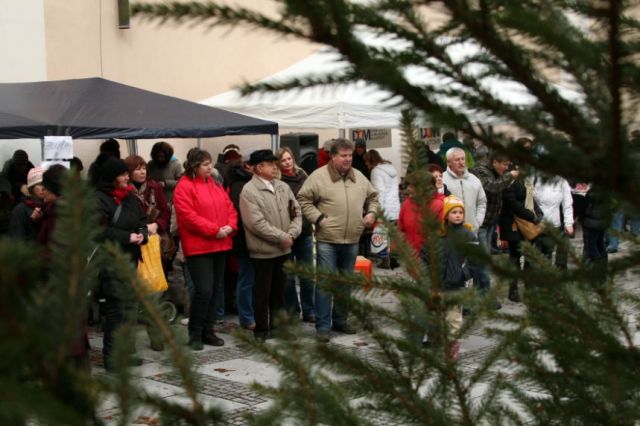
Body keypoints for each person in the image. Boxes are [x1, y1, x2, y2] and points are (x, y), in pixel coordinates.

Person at [298, 138, 379, 342]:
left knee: (345, 283)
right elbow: (303, 199)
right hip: (327, 239)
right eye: (343, 155)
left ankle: (340, 320)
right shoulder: (318, 177)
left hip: (352, 238)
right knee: (326, 283)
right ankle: (323, 326)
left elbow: (373, 197)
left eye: (350, 155)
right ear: (333, 156)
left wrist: (371, 213)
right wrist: (319, 218)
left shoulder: (359, 176)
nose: (348, 159)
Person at [173, 148, 237, 350]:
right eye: (205, 164)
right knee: (204, 290)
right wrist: (214, 230)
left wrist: (230, 226)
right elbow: (188, 217)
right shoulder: (184, 187)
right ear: (194, 166)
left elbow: (230, 208)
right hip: (199, 247)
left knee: (216, 290)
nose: (210, 167)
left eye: (210, 163)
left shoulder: (215, 183)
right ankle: (195, 332)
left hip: (220, 243)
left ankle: (208, 330)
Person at [240, 149, 302, 341]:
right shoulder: (249, 191)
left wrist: (291, 234)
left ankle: (277, 327)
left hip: (284, 247)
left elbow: (296, 212)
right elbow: (256, 224)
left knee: (280, 291)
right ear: (259, 168)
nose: (275, 167)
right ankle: (261, 329)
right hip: (263, 251)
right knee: (262, 293)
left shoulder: (283, 186)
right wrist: (281, 237)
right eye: (270, 164)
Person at [94, 158, 148, 371]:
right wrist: (128, 237)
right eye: (123, 174)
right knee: (116, 309)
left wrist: (143, 233)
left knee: (128, 308)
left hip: (130, 260)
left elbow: (141, 220)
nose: (127, 177)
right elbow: (99, 230)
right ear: (111, 178)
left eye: (127, 173)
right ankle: (111, 357)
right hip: (111, 261)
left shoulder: (130, 198)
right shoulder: (99, 199)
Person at [425, 195, 479, 361]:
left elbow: (476, 261)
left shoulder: (468, 236)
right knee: (435, 315)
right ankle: (435, 341)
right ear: (446, 215)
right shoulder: (437, 235)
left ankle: (452, 347)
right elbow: (425, 254)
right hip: (435, 284)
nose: (457, 215)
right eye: (453, 212)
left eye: (460, 212)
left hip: (455, 285)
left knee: (454, 318)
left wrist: (464, 274)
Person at [470, 152, 519, 297]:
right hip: (480, 223)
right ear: (495, 162)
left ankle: (479, 293)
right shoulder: (480, 171)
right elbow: (492, 187)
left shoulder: (496, 171)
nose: (506, 168)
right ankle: (485, 296)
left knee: (483, 260)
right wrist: (510, 176)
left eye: (508, 165)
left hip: (491, 221)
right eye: (504, 165)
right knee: (483, 261)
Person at [277, 147, 316, 323]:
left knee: (306, 274)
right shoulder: (277, 181)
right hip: (287, 233)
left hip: (305, 231)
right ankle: (293, 310)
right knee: (289, 277)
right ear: (278, 163)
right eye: (283, 160)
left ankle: (309, 310)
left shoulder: (303, 176)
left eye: (289, 158)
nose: (287, 162)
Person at [124, 155, 172, 272]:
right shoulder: (124, 192)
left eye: (144, 168)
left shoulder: (155, 187)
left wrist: (157, 224)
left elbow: (166, 212)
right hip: (136, 242)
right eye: (138, 169)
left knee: (158, 276)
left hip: (156, 240)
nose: (142, 172)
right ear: (129, 172)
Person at [227, 154, 257, 330]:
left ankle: (250, 313)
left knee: (250, 278)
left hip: (251, 238)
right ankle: (246, 317)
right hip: (244, 239)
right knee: (247, 278)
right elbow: (242, 214)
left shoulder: (245, 182)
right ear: (247, 166)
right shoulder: (240, 185)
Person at [363, 149, 400, 268]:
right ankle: (392, 259)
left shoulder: (376, 171)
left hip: (384, 209)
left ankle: (386, 261)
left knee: (381, 236)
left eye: (366, 162)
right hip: (395, 208)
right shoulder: (391, 169)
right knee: (391, 235)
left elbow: (379, 192)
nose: (366, 165)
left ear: (370, 161)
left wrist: (376, 211)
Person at [398, 169, 445, 259]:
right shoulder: (407, 204)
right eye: (408, 185)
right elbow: (400, 230)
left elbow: (442, 236)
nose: (408, 189)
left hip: (432, 261)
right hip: (411, 259)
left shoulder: (439, 205)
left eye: (413, 186)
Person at [534, 174, 574, 269]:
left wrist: (569, 223)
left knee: (553, 249)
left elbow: (567, 204)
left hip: (555, 223)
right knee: (542, 253)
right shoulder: (535, 179)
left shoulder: (562, 182)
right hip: (537, 223)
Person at [442, 148, 487, 233]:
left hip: (472, 232)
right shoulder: (442, 180)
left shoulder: (474, 180)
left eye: (463, 159)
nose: (461, 162)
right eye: (457, 160)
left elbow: (482, 202)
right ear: (449, 163)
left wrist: (477, 222)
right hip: (450, 234)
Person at [9, 167, 45, 240]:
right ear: (31, 188)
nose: (44, 188)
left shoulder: (48, 206)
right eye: (40, 184)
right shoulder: (20, 210)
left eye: (46, 184)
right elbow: (18, 240)